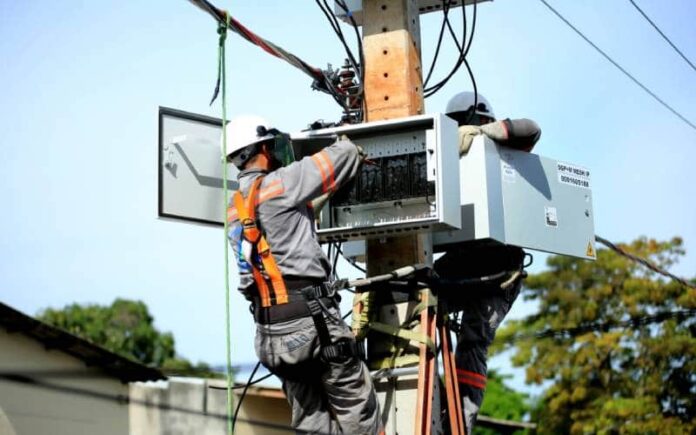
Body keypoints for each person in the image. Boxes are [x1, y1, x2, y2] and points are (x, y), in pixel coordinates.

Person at [224, 115, 383, 435]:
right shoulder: (282, 182)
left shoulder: (233, 208)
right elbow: (345, 155)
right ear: (264, 148)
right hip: (313, 325)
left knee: (312, 425)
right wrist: (341, 134)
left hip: (271, 338)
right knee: (358, 416)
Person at [434, 92, 541, 434]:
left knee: (473, 339)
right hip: (465, 261)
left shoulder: (505, 152)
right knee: (415, 306)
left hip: (499, 269)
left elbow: (531, 129)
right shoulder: (446, 154)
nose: (469, 129)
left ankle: (459, 424)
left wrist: (484, 134)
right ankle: (427, 411)